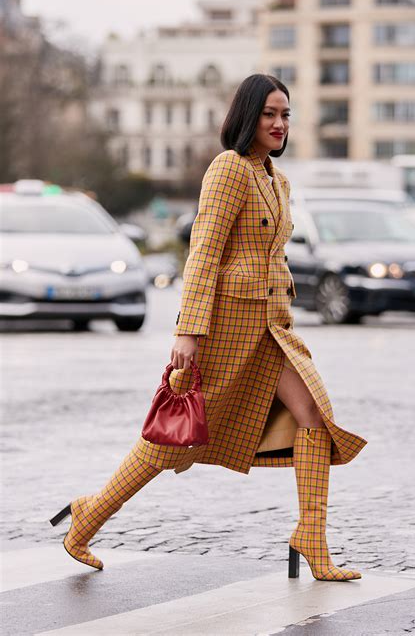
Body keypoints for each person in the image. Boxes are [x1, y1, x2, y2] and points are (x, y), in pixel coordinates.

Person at [50, 74, 367, 581]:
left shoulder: (275, 179)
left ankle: (312, 534)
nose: (280, 124)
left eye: (285, 115)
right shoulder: (228, 169)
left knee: (314, 414)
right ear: (247, 116)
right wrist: (188, 329)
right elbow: (204, 251)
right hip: (223, 330)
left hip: (270, 328)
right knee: (172, 440)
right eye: (270, 114)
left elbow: (270, 253)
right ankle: (90, 515)